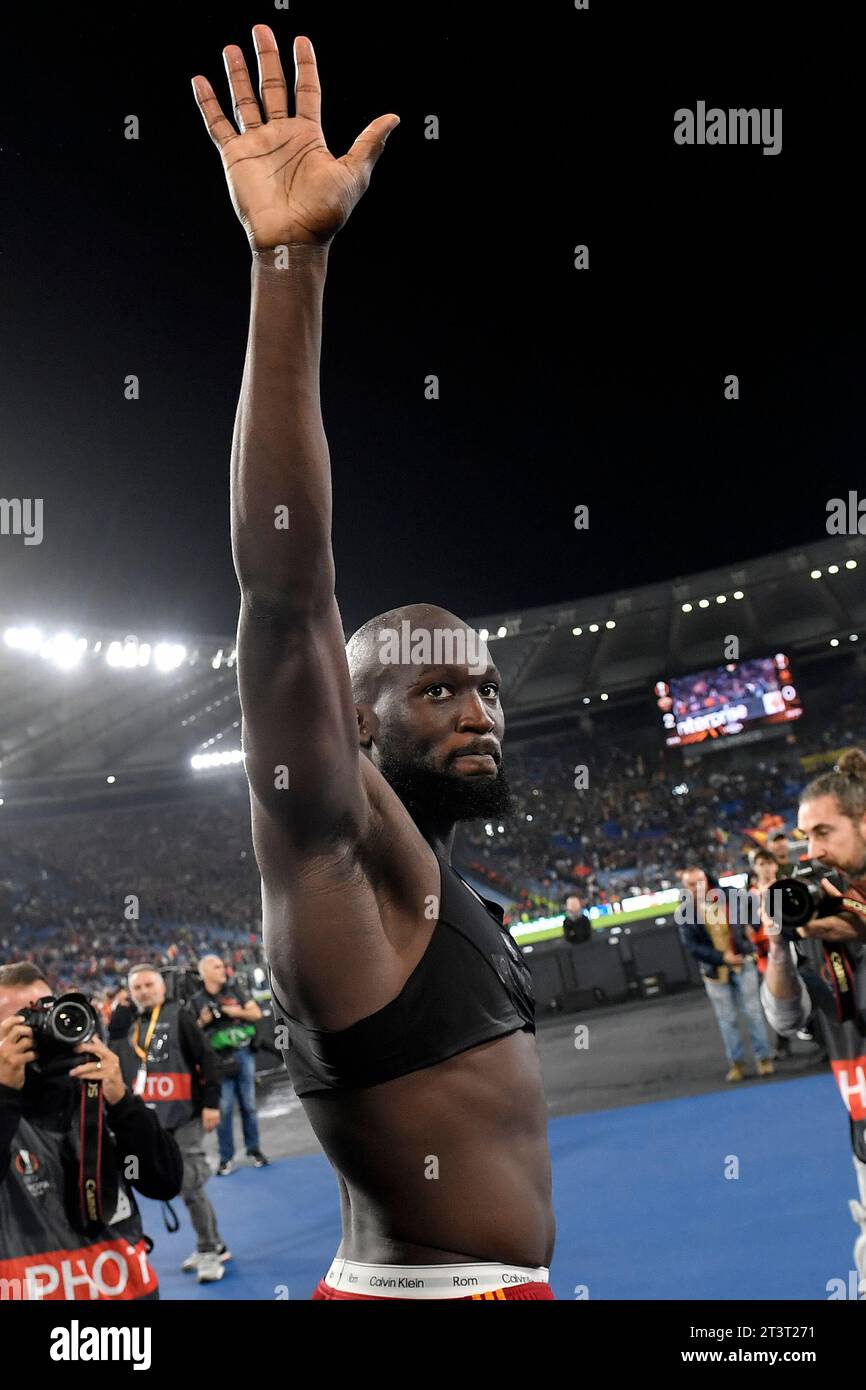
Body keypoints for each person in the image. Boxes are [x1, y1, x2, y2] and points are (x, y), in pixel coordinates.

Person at [191, 27, 555, 1300]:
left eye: (487, 686)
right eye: (439, 686)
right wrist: (288, 258)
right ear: (347, 720)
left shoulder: (431, 880)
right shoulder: (334, 843)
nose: (480, 710)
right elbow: (284, 594)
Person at [0, 961, 182, 1301]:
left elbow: (165, 1182)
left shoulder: (95, 1090)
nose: (38, 1029)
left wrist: (123, 1102)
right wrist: (5, 1096)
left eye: (44, 1012)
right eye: (19, 1023)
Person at [761, 748, 866, 1295]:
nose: (813, 851)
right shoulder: (816, 915)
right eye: (805, 838)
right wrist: (780, 947)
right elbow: (785, 1017)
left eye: (824, 832)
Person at [122, 964, 229, 1282]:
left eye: (148, 985)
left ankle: (210, 1250)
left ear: (162, 987)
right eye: (137, 987)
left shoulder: (179, 1016)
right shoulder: (136, 1024)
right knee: (183, 1186)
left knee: (190, 1185)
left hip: (186, 1115)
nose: (143, 991)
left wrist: (211, 1103)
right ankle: (215, 1244)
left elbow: (207, 1058)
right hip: (157, 1117)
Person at [678, 866, 774, 1082]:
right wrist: (722, 958)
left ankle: (764, 1059)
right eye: (691, 884)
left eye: (699, 881)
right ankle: (737, 1064)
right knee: (726, 1019)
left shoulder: (729, 895)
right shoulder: (686, 910)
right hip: (715, 971)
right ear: (685, 887)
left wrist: (752, 925)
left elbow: (753, 910)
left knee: (753, 1013)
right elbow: (692, 946)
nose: (696, 887)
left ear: (707, 879)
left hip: (743, 962)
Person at [190, 955, 267, 1175]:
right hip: (216, 1060)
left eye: (223, 966)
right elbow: (191, 1033)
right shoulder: (196, 1000)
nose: (223, 969)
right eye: (217, 967)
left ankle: (254, 1150)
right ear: (205, 972)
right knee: (223, 1110)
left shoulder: (235, 991)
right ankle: (226, 1157)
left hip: (243, 1053)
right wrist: (203, 1021)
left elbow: (256, 1013)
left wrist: (232, 1011)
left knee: (249, 1105)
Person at [749, 849, 790, 1058]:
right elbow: (747, 927)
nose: (766, 868)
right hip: (766, 956)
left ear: (775, 866)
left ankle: (821, 1041)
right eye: (761, 864)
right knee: (774, 999)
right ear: (755, 868)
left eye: (769, 863)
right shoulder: (750, 897)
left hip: (792, 949)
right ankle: (782, 1044)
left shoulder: (787, 889)